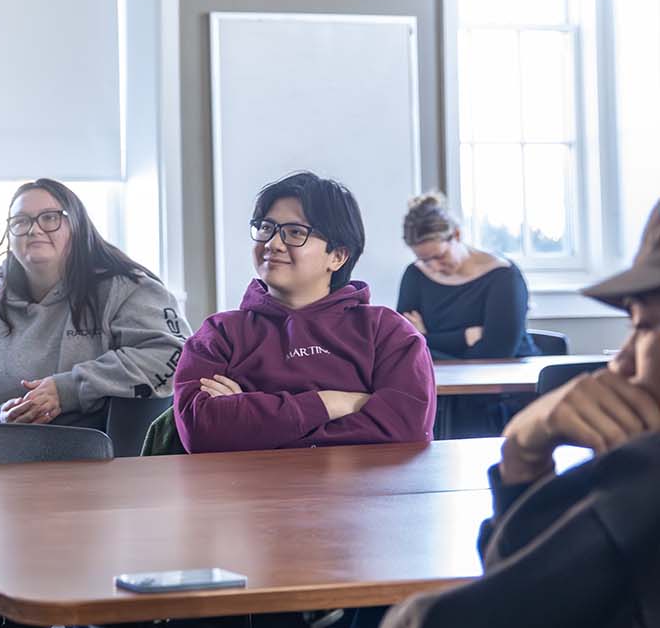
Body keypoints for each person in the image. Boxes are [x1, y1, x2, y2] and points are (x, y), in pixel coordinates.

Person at [383, 200, 660, 628]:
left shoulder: (639, 480)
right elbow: (408, 341)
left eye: (641, 326)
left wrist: (522, 449)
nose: (619, 363)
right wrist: (522, 460)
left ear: (456, 237)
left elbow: (428, 619)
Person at [174, 171, 435, 453]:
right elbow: (201, 431)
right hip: (251, 494)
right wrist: (334, 403)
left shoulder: (387, 331)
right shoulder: (220, 334)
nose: (272, 244)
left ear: (337, 256)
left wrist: (251, 420)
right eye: (266, 228)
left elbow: (407, 430)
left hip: (360, 494)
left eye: (295, 232)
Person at [0, 177, 192, 430]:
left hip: (100, 461)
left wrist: (67, 389)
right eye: (20, 221)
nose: (34, 229)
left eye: (50, 218)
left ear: (76, 225)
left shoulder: (128, 291)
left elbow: (173, 356)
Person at [397, 192, 536, 359]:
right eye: (425, 260)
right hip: (439, 378)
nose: (434, 267)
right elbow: (405, 346)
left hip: (509, 378)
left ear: (456, 235)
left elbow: (496, 354)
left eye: (439, 256)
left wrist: (426, 340)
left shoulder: (503, 277)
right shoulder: (415, 275)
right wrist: (464, 337)